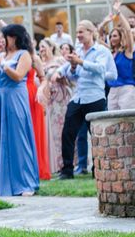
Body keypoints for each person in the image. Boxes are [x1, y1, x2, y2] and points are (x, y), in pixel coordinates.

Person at [51, 20, 117, 180]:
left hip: (95, 97)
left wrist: (79, 62)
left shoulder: (101, 51)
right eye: (77, 33)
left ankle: (99, 169)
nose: (78, 36)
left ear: (90, 32)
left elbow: (102, 69)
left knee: (96, 136)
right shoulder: (78, 50)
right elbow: (72, 74)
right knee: (67, 133)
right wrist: (70, 68)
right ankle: (67, 170)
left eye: (81, 32)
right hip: (78, 97)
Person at [0, 24, 39, 196]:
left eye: (5, 37)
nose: (2, 41)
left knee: (19, 139)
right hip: (1, 98)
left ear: (13, 37)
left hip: (16, 97)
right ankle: (1, 183)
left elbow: (17, 76)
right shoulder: (1, 55)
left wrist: (1, 61)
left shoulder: (24, 55)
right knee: (2, 139)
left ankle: (25, 183)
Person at [36, 38, 71, 174]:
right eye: (40, 47)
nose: (42, 49)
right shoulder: (40, 63)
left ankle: (64, 163)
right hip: (46, 101)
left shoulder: (60, 60)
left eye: (44, 46)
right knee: (49, 132)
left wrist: (60, 77)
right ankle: (52, 164)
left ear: (51, 47)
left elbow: (69, 77)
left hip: (60, 100)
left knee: (60, 131)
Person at [100, 0, 135, 110]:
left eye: (115, 36)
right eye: (110, 36)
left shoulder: (127, 51)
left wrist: (119, 13)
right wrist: (104, 22)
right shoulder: (110, 52)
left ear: (120, 37)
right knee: (113, 123)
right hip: (112, 91)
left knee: (128, 121)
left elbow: (128, 31)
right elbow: (96, 38)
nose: (112, 38)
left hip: (127, 89)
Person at [27, 48, 50, 180]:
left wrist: (41, 90)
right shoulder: (10, 56)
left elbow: (44, 79)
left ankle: (36, 167)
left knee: (35, 131)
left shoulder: (34, 58)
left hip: (31, 95)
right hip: (16, 95)